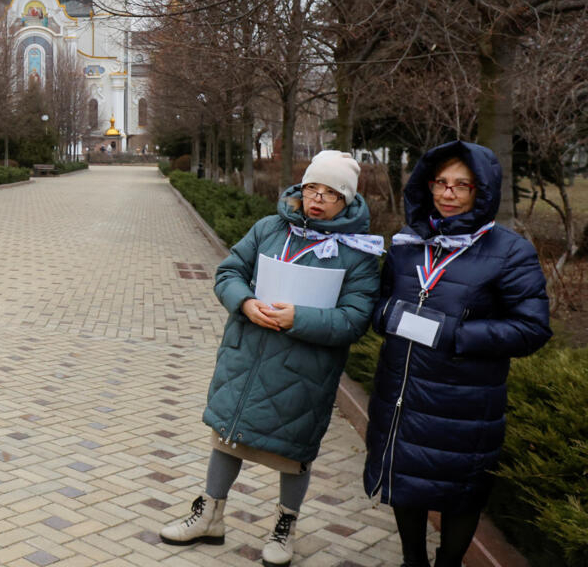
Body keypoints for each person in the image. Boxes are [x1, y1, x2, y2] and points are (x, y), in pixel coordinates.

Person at [160, 151, 383, 567]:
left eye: (331, 194)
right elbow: (228, 272)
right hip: (247, 356)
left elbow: (354, 320)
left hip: (305, 370)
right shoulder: (270, 228)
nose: (317, 199)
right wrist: (244, 303)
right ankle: (210, 514)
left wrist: (300, 317)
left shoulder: (357, 253)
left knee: (294, 449)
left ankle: (285, 526)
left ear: (347, 201)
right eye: (313, 188)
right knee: (227, 434)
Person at [363, 141, 549, 567]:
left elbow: (532, 329)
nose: (448, 194)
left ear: (481, 191)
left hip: (464, 401)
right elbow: (382, 301)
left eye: (461, 186)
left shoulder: (509, 251)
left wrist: (454, 334)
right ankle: (414, 561)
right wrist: (383, 314)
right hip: (402, 393)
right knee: (404, 480)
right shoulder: (410, 243)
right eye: (440, 183)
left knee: (460, 495)